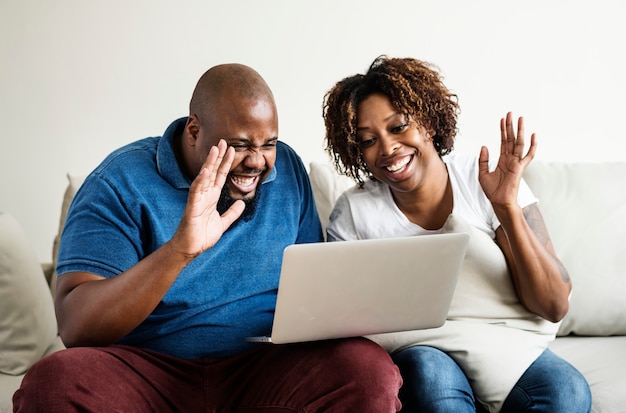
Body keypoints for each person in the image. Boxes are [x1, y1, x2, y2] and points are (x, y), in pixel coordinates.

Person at [13, 63, 402, 412]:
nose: (258, 161)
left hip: (262, 369)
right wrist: (180, 250)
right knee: (53, 382)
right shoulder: (119, 182)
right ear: (194, 130)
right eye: (239, 145)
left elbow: (315, 291)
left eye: (268, 144)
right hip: (148, 370)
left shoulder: (286, 170)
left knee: (366, 370)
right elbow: (76, 325)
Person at [322, 56, 591, 413]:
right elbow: (341, 319)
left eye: (399, 126)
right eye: (369, 140)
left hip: (502, 340)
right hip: (422, 347)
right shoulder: (354, 213)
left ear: (428, 122)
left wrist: (507, 209)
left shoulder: (485, 183)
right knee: (432, 380)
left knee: (567, 393)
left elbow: (554, 305)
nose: (387, 149)